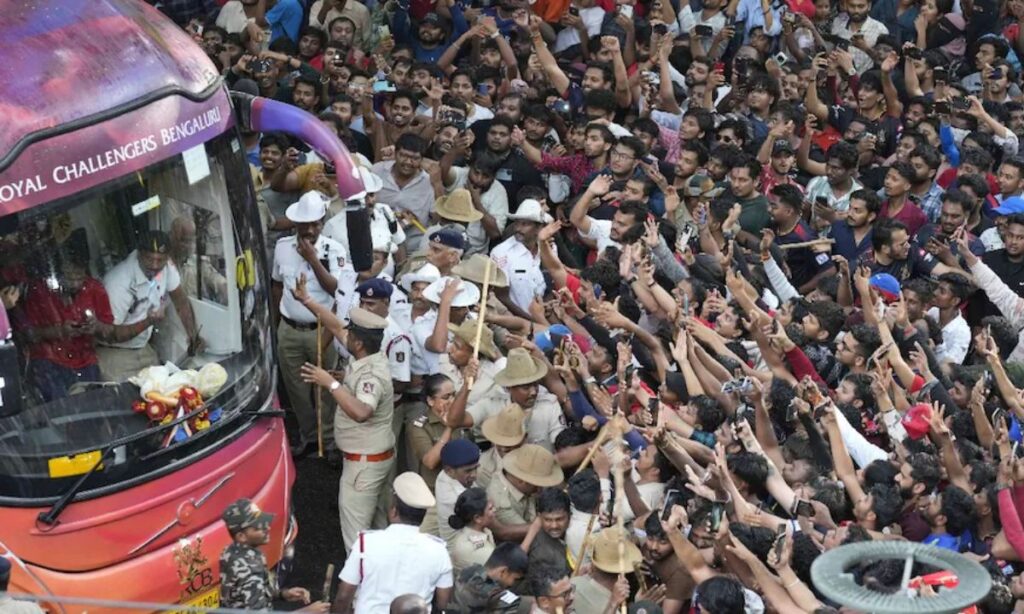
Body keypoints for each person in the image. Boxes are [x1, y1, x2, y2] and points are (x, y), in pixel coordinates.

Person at [271, 191, 347, 459]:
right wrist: (275, 323)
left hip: (322, 331)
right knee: (297, 388)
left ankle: (329, 442)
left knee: (325, 390)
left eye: (317, 223)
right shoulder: (281, 247)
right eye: (307, 225)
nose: (312, 230)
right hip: (289, 329)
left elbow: (336, 289)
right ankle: (309, 438)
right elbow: (277, 285)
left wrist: (313, 259)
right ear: (296, 225)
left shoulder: (334, 250)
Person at [334, 472, 454, 613]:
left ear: (393, 511)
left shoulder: (366, 543)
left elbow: (343, 596)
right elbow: (443, 602)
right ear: (423, 517)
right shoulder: (439, 550)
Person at [98, 230, 202, 381]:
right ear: (139, 254)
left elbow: (181, 301)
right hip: (114, 352)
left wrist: (193, 335)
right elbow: (110, 334)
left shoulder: (166, 266)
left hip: (142, 347)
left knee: (161, 391)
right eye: (149, 259)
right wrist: (149, 321)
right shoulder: (118, 282)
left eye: (160, 260)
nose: (154, 265)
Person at [218, 498, 328, 611]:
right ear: (241, 536)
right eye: (258, 528)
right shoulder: (248, 570)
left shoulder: (235, 551)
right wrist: (306, 612)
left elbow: (257, 590)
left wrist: (283, 594)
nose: (267, 528)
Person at [450, 542, 529, 613]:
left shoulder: (469, 570)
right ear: (503, 572)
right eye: (515, 579)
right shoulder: (494, 593)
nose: (512, 583)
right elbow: (525, 605)